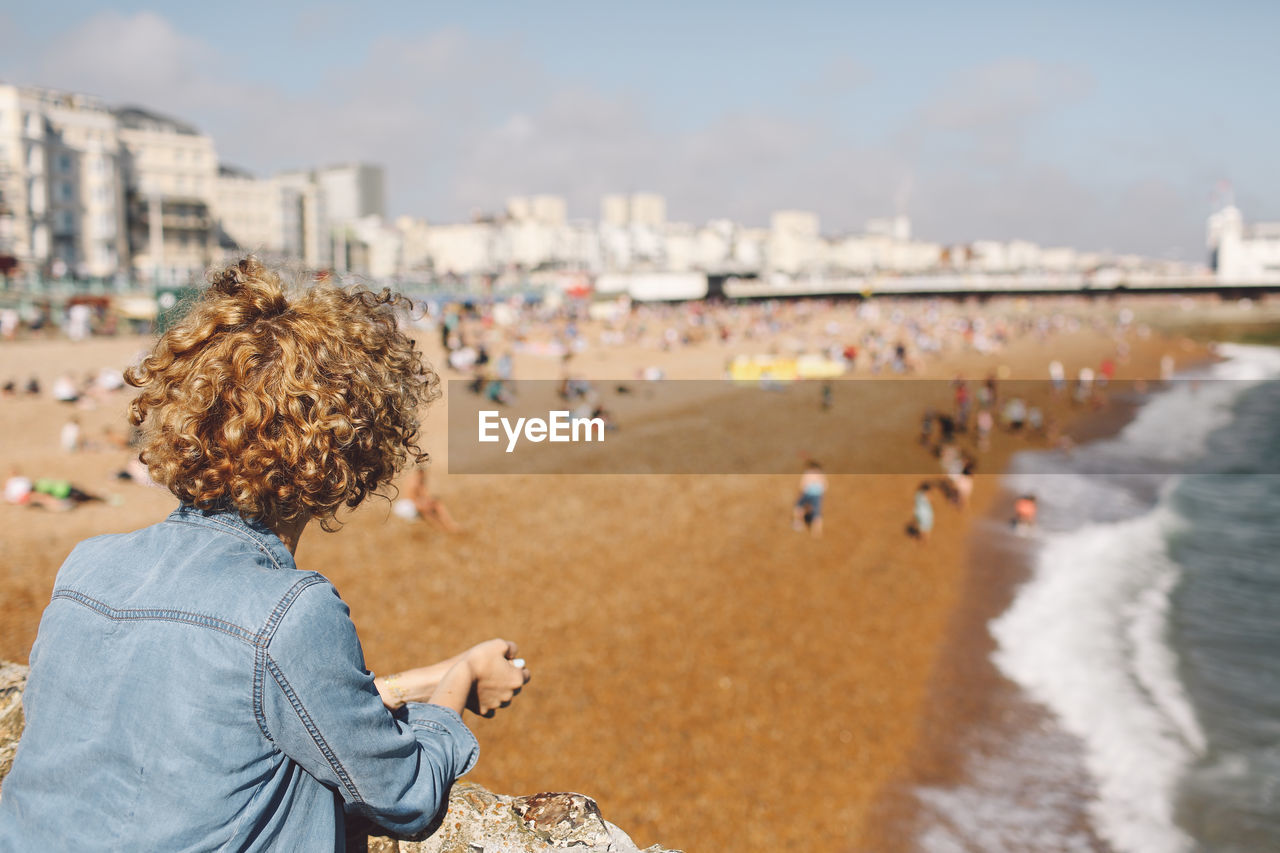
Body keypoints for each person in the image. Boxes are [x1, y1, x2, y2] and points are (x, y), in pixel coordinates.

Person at [0, 258, 529, 850]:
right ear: (354, 448)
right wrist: (459, 682)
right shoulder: (291, 611)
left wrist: (423, 678)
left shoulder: (86, 566)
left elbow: (236, 706)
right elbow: (404, 795)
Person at [393, 465, 462, 534]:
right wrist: (424, 504)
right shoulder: (415, 481)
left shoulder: (418, 480)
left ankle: (447, 526)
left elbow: (424, 496)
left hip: (413, 503)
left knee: (434, 505)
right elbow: (412, 498)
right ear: (421, 472)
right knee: (430, 509)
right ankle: (446, 527)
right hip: (409, 505)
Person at [793, 460, 828, 537]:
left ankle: (798, 523)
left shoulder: (808, 473)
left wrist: (800, 494)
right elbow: (825, 486)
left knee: (798, 507)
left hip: (808, 494)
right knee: (816, 513)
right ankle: (816, 532)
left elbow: (802, 485)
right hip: (817, 495)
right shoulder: (820, 475)